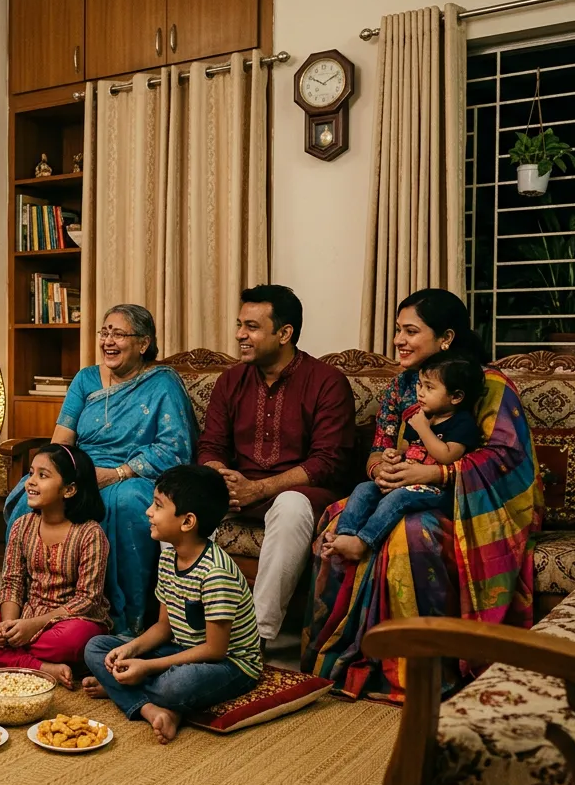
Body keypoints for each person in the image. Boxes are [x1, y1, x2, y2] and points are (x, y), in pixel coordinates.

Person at [303, 289, 543, 701]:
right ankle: (347, 659)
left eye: (411, 331)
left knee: (412, 534)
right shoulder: (402, 386)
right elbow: (379, 448)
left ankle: (422, 671)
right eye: (398, 330)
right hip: (403, 486)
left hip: (465, 505)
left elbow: (506, 459)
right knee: (338, 515)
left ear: (446, 338)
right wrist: (385, 469)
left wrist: (433, 472)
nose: (398, 340)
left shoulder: (488, 386)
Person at [3, 304, 197, 635]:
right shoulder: (86, 379)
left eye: (119, 334)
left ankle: (121, 623)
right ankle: (25, 609)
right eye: (104, 332)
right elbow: (61, 445)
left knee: (125, 504)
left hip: (133, 474)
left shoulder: (162, 383)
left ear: (143, 343)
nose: (108, 341)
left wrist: (117, 473)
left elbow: (175, 449)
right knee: (29, 496)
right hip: (80, 469)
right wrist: (57, 475)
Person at [196, 284, 356, 652]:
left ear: (284, 333)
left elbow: (327, 462)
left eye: (251, 327)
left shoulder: (327, 382)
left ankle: (256, 638)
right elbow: (211, 445)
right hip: (239, 493)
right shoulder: (231, 380)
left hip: (304, 497)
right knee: (175, 498)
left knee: (289, 505)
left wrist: (262, 489)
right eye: (240, 325)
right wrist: (220, 478)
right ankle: (177, 628)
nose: (239, 335)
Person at [83, 465, 261, 745]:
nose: (148, 512)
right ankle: (149, 707)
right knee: (96, 648)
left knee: (175, 685)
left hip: (230, 664)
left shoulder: (216, 574)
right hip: (183, 649)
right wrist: (130, 649)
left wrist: (148, 667)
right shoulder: (168, 558)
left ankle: (126, 690)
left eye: (158, 505)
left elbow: (215, 650)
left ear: (187, 522)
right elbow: (164, 627)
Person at [0, 444, 109, 690]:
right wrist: (8, 625)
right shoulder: (22, 525)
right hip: (26, 612)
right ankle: (41, 667)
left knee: (74, 640)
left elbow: (87, 599)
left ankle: (0, 656)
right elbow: (12, 582)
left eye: (42, 475)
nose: (30, 482)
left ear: (69, 489)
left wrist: (32, 626)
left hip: (70, 621)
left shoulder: (90, 533)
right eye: (31, 473)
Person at [321, 353, 484, 563]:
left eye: (429, 388)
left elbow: (447, 456)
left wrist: (424, 429)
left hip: (439, 492)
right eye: (420, 385)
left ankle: (363, 541)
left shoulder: (462, 423)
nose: (420, 393)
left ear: (456, 397)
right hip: (408, 483)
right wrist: (394, 456)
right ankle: (345, 535)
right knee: (364, 488)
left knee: (398, 498)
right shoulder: (421, 417)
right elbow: (408, 450)